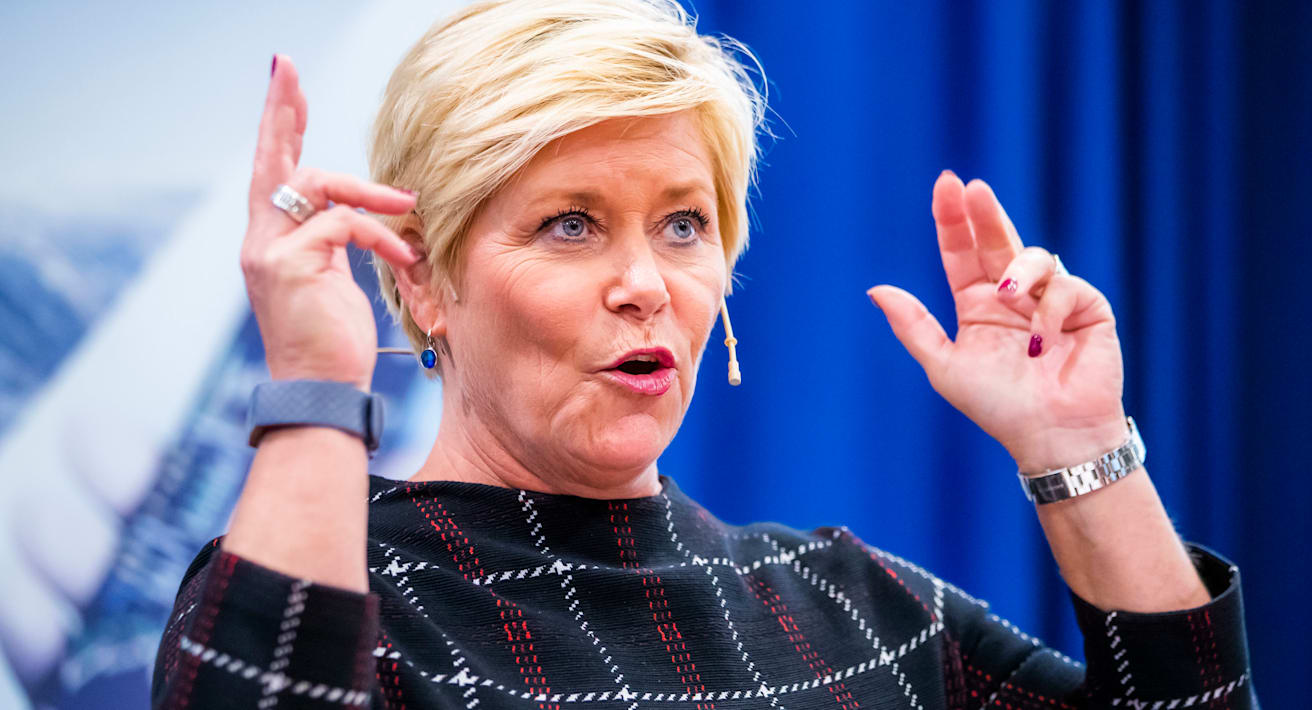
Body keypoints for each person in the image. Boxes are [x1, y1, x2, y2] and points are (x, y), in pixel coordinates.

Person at [153, 0, 1256, 707]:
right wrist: (315, 391)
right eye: (571, 223)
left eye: (684, 224)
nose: (646, 281)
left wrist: (1080, 447)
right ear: (423, 282)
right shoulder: (345, 597)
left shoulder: (859, 612)